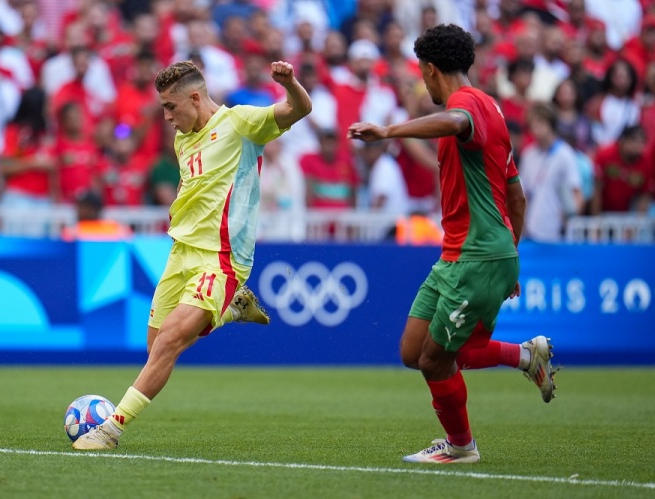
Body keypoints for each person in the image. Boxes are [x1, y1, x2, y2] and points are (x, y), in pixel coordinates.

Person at [72, 59, 312, 450]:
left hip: (221, 258)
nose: (167, 117)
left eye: (171, 107)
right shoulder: (182, 140)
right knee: (156, 350)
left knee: (169, 343)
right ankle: (231, 310)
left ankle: (110, 430)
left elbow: (300, 109)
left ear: (196, 98)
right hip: (180, 252)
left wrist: (289, 83)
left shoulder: (241, 123)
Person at [348, 24, 556, 465]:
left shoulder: (467, 105)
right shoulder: (494, 109)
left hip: (476, 257)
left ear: (429, 69)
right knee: (415, 351)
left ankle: (461, 446)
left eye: (421, 73)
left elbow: (457, 122)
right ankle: (526, 356)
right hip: (465, 255)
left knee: (436, 360)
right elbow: (516, 197)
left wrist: (388, 131)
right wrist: (509, 257)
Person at [519, 103, 584, 242]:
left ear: (551, 123)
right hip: (530, 231)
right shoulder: (528, 155)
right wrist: (521, 226)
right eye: (532, 124)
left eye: (540, 122)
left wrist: (567, 221)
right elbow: (523, 194)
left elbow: (577, 193)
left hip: (557, 234)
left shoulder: (565, 154)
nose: (535, 128)